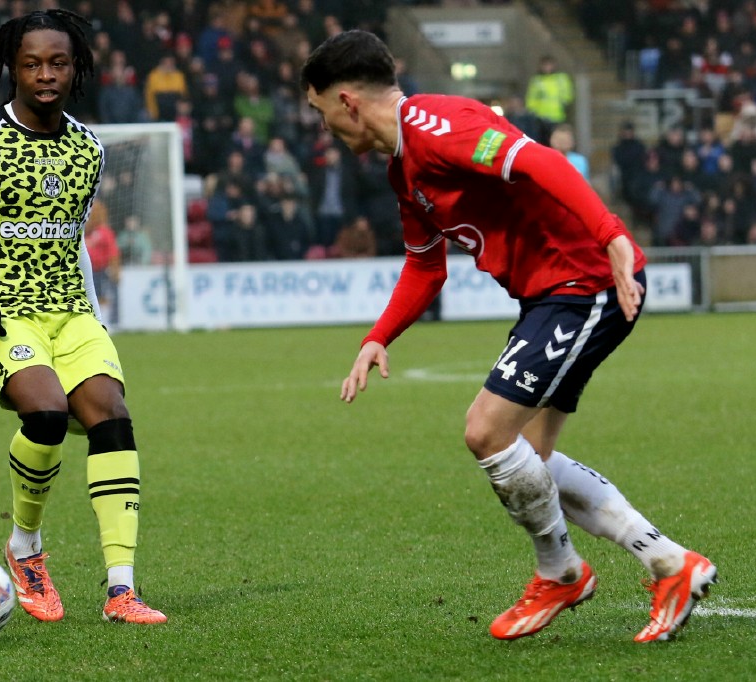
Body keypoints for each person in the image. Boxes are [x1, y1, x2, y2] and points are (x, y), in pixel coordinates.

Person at [300, 30, 716, 643]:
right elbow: (425, 265)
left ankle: (561, 572)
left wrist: (613, 235)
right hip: (552, 294)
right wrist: (379, 335)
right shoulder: (402, 169)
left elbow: (540, 160)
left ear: (346, 101)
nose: (324, 127)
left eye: (320, 112)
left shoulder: (439, 126)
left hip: (586, 283)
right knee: (532, 461)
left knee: (486, 431)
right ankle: (668, 563)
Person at [0, 9, 167, 626]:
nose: (45, 74)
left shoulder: (88, 149)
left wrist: (98, 322)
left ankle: (121, 591)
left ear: (75, 69)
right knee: (47, 412)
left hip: (70, 311)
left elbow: (73, 240)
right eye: (31, 64)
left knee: (112, 417)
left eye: (57, 63)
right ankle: (25, 547)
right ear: (10, 70)